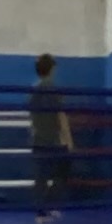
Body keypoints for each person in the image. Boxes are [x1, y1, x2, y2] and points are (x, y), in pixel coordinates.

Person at [28, 54, 73, 208]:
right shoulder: (53, 89)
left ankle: (42, 210)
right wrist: (68, 139)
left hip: (38, 137)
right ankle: (49, 204)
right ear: (52, 69)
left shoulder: (33, 90)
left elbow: (32, 115)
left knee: (41, 176)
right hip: (54, 139)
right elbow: (61, 115)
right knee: (62, 172)